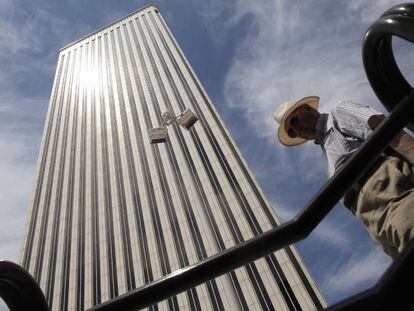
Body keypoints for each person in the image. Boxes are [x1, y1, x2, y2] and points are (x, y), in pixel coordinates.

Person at [274, 96, 414, 259]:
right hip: (375, 220)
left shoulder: (338, 113)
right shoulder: (327, 149)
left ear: (308, 108)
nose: (297, 130)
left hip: (393, 195)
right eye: (291, 131)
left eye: (295, 120)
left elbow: (388, 131)